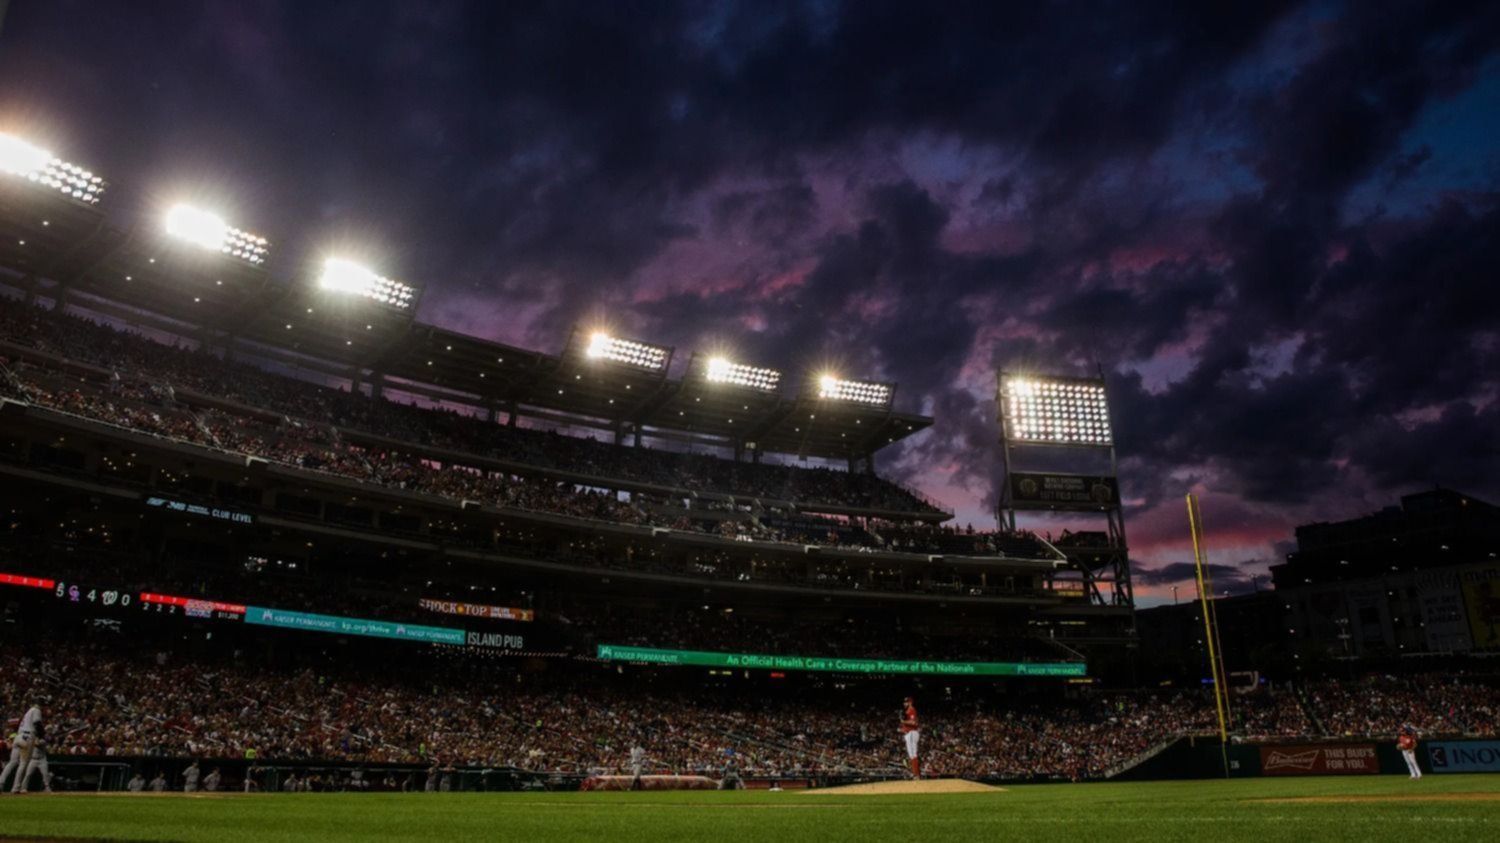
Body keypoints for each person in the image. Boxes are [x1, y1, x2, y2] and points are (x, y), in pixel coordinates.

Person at [8, 705, 41, 794]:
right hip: (27, 737)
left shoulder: (28, 712)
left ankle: (3, 783)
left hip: (19, 736)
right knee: (23, 764)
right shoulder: (37, 710)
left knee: (13, 763)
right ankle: (16, 787)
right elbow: (37, 723)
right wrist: (42, 735)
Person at [900, 695, 920, 779]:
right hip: (909, 733)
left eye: (907, 702)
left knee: (913, 754)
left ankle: (917, 774)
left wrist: (904, 721)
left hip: (912, 733)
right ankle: (915, 773)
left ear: (910, 702)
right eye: (904, 702)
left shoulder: (911, 710)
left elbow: (914, 723)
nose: (905, 703)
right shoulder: (907, 711)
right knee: (911, 755)